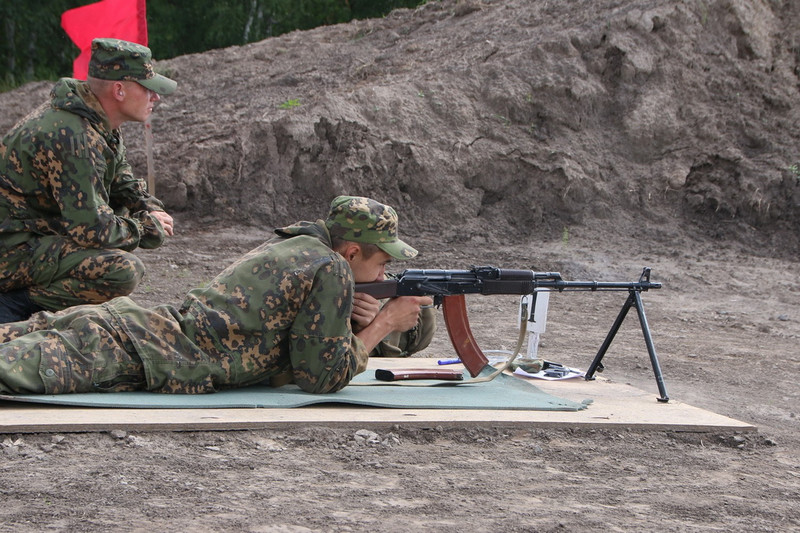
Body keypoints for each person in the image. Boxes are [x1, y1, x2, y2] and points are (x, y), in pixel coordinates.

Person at [0, 196, 433, 396]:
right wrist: (382, 325)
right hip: (140, 351)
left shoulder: (298, 246)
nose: (383, 273)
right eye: (380, 263)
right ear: (352, 251)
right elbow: (322, 378)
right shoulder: (331, 268)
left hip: (133, 329)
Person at [0, 38, 177, 324]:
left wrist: (149, 206)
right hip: (12, 251)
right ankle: (15, 303)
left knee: (117, 224)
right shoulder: (74, 137)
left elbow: (122, 181)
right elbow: (92, 229)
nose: (155, 97)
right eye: (148, 89)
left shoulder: (95, 120)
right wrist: (147, 227)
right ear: (119, 90)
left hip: (35, 237)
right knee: (121, 271)